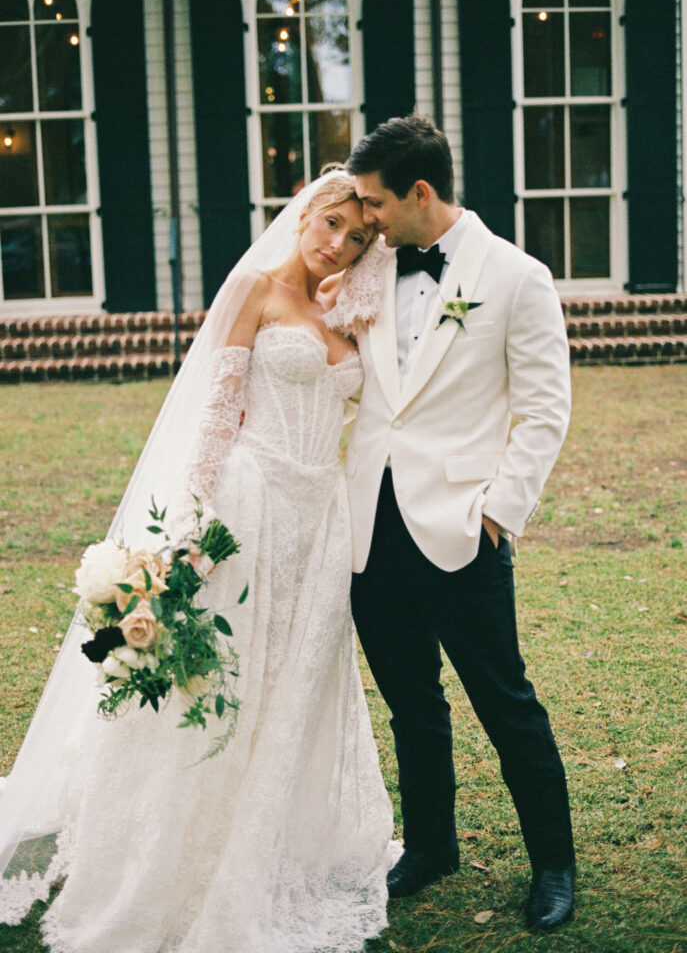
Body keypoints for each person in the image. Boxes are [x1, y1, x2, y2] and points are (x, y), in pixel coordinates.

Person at [0, 171, 400, 953]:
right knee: (222, 675)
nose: (337, 246)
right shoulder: (254, 287)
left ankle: (273, 838)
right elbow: (214, 416)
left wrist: (366, 286)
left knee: (294, 681)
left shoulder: (351, 308)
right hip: (247, 508)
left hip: (320, 521)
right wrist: (191, 524)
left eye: (356, 239)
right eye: (330, 226)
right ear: (301, 215)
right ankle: (174, 849)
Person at [345, 115, 576, 932]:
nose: (363, 218)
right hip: (368, 532)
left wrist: (499, 512)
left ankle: (553, 864)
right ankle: (432, 845)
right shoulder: (364, 267)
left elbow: (544, 411)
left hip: (460, 527)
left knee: (504, 700)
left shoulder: (516, 276)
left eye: (373, 203)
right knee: (410, 702)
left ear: (419, 192)